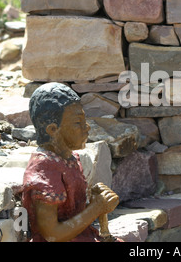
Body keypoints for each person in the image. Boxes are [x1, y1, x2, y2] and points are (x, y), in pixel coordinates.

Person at [22, 82, 119, 242]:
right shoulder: (45, 169)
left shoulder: (69, 159)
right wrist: (96, 209)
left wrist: (98, 204)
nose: (86, 127)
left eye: (84, 121)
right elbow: (53, 235)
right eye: (77, 123)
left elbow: (71, 216)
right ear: (53, 130)